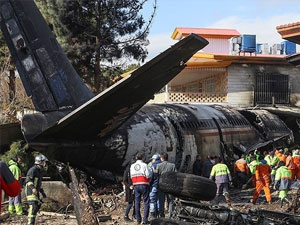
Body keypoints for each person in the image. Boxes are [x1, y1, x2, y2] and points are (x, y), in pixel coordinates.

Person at [25, 154, 48, 225]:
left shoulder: (39, 171)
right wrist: (33, 189)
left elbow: (38, 184)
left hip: (35, 192)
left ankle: (31, 222)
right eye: (43, 162)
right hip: (31, 191)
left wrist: (42, 192)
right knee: (33, 207)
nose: (44, 163)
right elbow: (28, 180)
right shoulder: (33, 170)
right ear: (39, 162)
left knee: (36, 207)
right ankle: (30, 223)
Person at [130, 153, 151, 224]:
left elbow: (131, 176)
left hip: (136, 185)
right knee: (146, 202)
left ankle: (138, 219)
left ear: (136, 158)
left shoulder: (132, 166)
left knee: (137, 202)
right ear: (142, 158)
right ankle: (145, 219)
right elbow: (148, 175)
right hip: (144, 184)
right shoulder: (144, 165)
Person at [156, 152, 176, 218]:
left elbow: (156, 175)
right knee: (170, 201)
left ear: (162, 158)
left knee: (161, 201)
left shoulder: (158, 166)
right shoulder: (172, 165)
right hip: (170, 185)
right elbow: (176, 175)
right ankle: (170, 215)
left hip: (161, 185)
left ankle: (162, 215)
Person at [148, 154, 162, 219]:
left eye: (152, 159)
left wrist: (149, 184)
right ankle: (159, 214)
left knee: (152, 200)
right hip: (161, 186)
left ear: (155, 159)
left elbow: (151, 177)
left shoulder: (153, 166)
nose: (152, 161)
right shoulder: (162, 165)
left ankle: (153, 215)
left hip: (154, 186)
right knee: (159, 200)